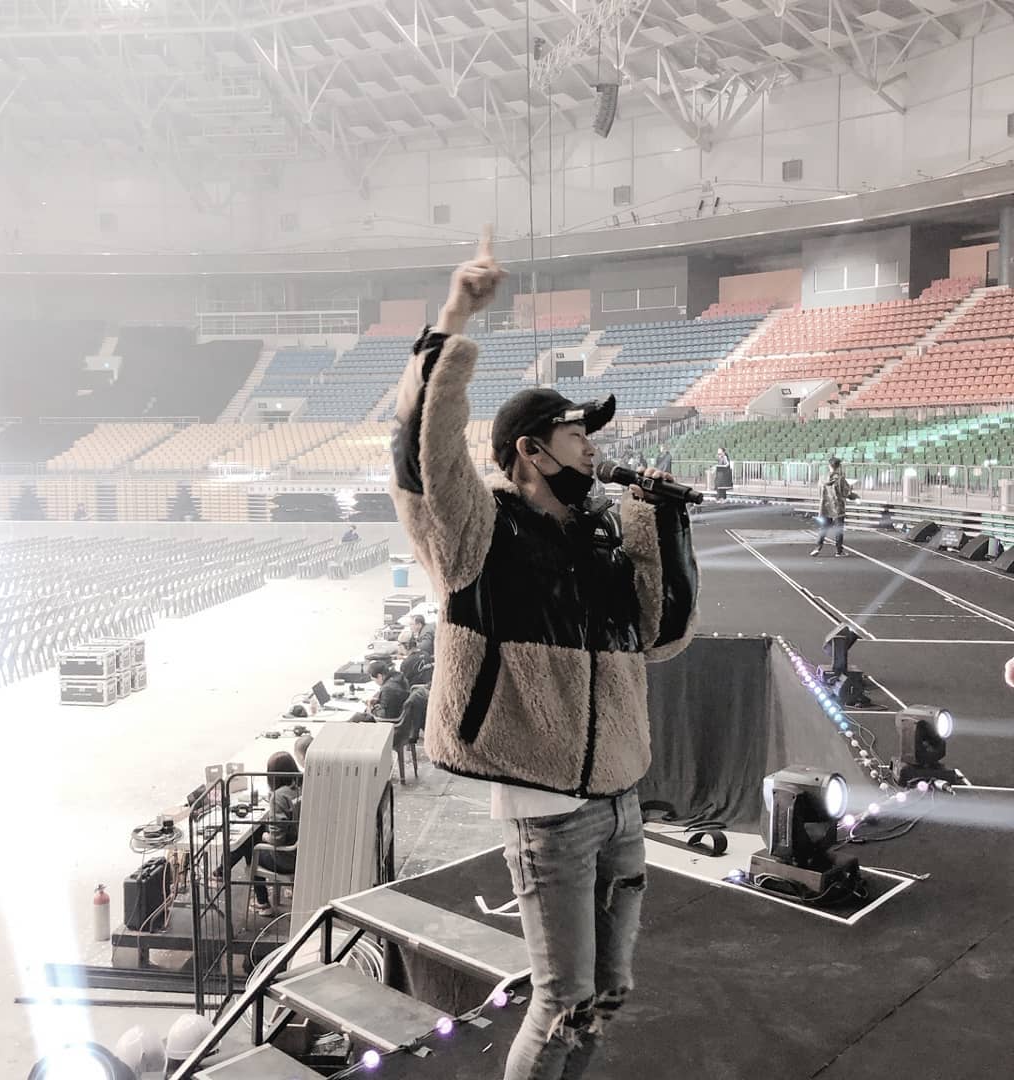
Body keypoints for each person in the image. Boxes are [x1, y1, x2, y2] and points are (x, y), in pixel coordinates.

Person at [389, 225, 699, 1080]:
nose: (592, 447)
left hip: (620, 798)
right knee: (561, 1002)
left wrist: (657, 525)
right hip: (546, 811)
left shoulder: (601, 541)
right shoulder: (478, 533)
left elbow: (663, 637)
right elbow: (419, 458)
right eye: (575, 433)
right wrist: (454, 318)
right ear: (529, 450)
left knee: (607, 995)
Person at [238, 751, 300, 915]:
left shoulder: (279, 797)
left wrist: (263, 836)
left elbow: (276, 839)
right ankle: (222, 869)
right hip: (301, 852)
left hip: (286, 858)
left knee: (251, 847)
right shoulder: (301, 788)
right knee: (255, 835)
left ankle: (263, 903)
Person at [811, 456, 858, 558]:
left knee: (823, 528)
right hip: (838, 507)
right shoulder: (840, 479)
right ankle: (838, 551)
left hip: (825, 506)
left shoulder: (822, 478)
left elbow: (819, 492)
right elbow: (846, 492)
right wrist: (854, 495)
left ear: (829, 465)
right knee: (838, 530)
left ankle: (817, 547)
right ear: (838, 466)